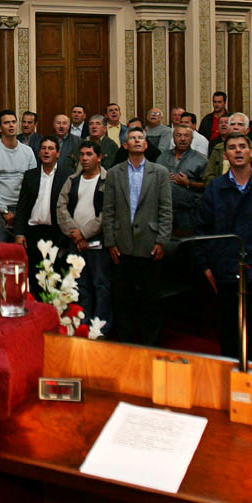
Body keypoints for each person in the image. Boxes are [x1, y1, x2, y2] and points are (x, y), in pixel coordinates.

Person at [196, 132, 252, 360]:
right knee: (230, 333)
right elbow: (204, 228)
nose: (238, 151)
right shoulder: (215, 188)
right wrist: (206, 266)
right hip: (226, 271)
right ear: (226, 154)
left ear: (251, 152)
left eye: (243, 146)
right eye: (232, 147)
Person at [101, 130, 172, 345]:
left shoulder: (159, 172)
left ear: (146, 144)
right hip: (122, 243)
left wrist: (162, 240)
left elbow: (166, 209)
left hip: (150, 243)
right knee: (123, 297)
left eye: (141, 138)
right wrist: (111, 242)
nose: (138, 141)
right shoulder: (114, 173)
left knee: (151, 297)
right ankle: (126, 339)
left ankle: (150, 340)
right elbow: (108, 210)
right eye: (133, 138)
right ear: (125, 145)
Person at [57, 141, 110, 334]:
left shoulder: (107, 180)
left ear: (99, 157)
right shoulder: (73, 179)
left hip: (98, 242)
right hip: (75, 242)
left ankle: (101, 327)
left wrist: (85, 233)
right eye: (82, 154)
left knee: (100, 285)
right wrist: (75, 234)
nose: (85, 158)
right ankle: (82, 323)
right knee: (79, 286)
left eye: (89, 154)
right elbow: (61, 208)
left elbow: (107, 213)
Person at [14, 135, 68, 282]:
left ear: (58, 153)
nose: (46, 152)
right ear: (39, 153)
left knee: (54, 277)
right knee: (34, 275)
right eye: (43, 148)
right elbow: (22, 207)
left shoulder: (67, 176)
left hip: (56, 233)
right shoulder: (30, 175)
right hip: (33, 233)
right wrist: (19, 233)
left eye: (50, 148)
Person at [0, 109, 37, 243]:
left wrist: (23, 211)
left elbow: (33, 183)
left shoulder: (28, 152)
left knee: (19, 255)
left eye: (13, 122)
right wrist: (4, 211)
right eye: (6, 123)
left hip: (22, 210)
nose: (11, 125)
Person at [160, 122, 208, 234]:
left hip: (188, 212)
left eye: (186, 136)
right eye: (178, 135)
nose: (182, 139)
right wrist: (162, 178)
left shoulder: (201, 160)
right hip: (165, 211)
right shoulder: (163, 157)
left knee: (187, 244)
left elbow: (207, 185)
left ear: (192, 139)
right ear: (173, 138)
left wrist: (189, 183)